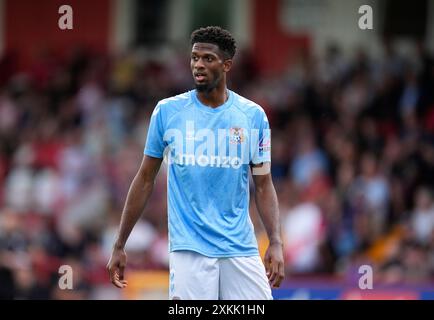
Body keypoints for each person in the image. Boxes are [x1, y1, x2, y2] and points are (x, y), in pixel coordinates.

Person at [107, 26, 284, 300]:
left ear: (226, 65)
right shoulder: (167, 112)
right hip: (190, 249)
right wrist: (120, 243)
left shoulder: (253, 117)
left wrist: (275, 241)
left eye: (207, 59)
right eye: (194, 58)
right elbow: (144, 179)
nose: (198, 65)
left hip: (240, 246)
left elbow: (263, 184)